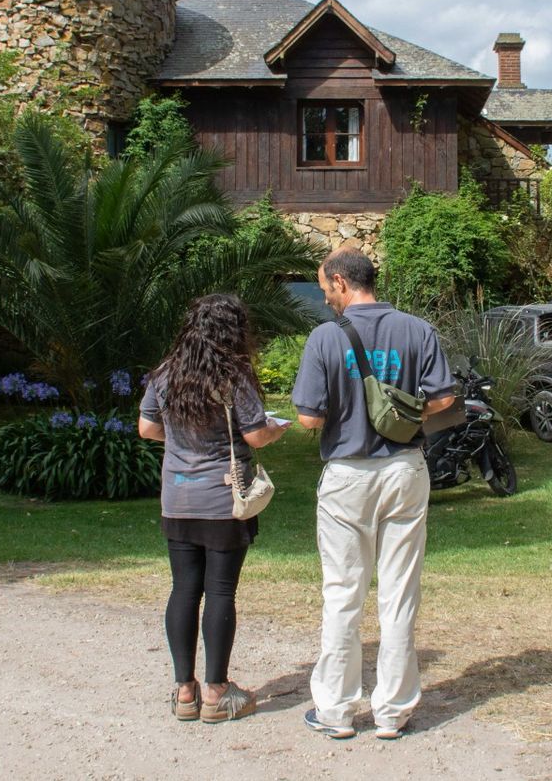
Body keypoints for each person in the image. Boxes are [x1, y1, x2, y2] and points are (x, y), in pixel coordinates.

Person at [291, 249, 458, 740]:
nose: (326, 298)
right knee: (399, 593)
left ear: (341, 282)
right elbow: (445, 398)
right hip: (405, 469)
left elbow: (309, 418)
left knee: (343, 593)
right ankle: (393, 712)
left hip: (347, 473)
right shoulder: (417, 330)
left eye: (325, 289)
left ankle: (337, 713)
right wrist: (405, 417)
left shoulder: (325, 337)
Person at [138, 293, 289, 724]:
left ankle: (183, 690)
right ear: (235, 330)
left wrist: (186, 440)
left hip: (178, 497)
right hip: (224, 500)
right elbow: (256, 436)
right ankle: (216, 691)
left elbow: (148, 428)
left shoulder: (166, 373)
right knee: (220, 591)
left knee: (184, 589)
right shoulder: (234, 375)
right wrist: (276, 429)